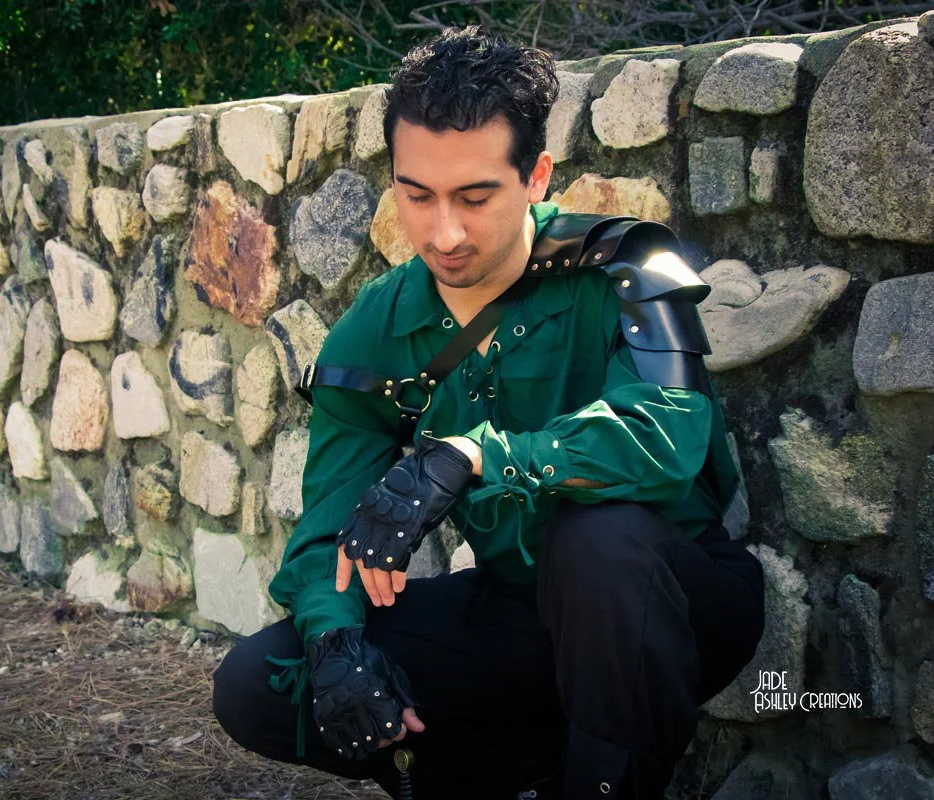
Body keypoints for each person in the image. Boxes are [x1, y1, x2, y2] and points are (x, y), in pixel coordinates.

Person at [212, 25, 765, 800]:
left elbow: (666, 437)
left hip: (666, 596)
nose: (443, 232)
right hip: (514, 612)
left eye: (475, 196)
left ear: (536, 174)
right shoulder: (375, 326)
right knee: (257, 684)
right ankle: (505, 772)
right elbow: (328, 529)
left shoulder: (625, 270)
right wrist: (336, 642)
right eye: (416, 195)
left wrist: (475, 455)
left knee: (596, 540)